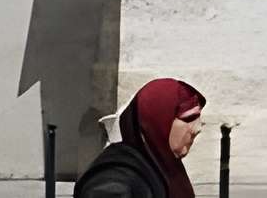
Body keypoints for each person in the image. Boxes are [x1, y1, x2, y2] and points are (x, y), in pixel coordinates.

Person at [76, 79, 209, 198]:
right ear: (158, 122)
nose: (197, 129)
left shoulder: (163, 166)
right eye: (188, 118)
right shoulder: (113, 183)